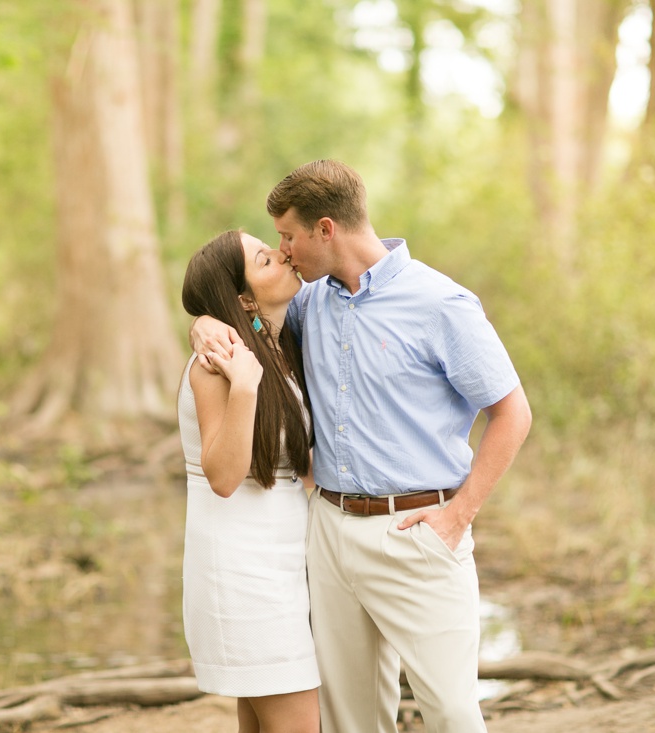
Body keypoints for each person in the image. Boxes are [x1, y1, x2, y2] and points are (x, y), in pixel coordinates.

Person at [191, 160, 532, 733]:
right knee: (351, 719)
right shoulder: (309, 303)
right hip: (328, 534)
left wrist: (459, 515)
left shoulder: (440, 303)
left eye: (289, 237)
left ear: (326, 230)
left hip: (417, 534)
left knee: (451, 712)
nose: (284, 250)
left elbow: (512, 412)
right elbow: (246, 309)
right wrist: (202, 319)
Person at [178, 229, 321, 733]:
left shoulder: (277, 346)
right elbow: (223, 475)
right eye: (265, 258)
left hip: (283, 562)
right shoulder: (217, 367)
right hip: (242, 572)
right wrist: (244, 385)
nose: (284, 253)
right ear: (243, 297)